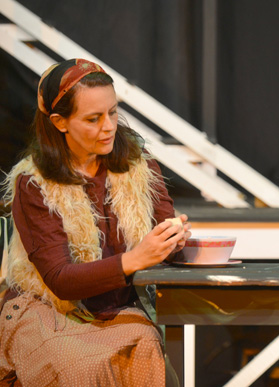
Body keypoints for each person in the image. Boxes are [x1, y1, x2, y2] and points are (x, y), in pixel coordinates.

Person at [0, 59, 191, 386]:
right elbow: (60, 280)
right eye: (93, 118)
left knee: (145, 346)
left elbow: (165, 239)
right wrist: (135, 258)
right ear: (60, 122)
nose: (109, 126)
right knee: (76, 367)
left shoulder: (139, 167)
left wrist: (172, 240)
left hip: (118, 312)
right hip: (50, 312)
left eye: (112, 113)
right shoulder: (34, 184)